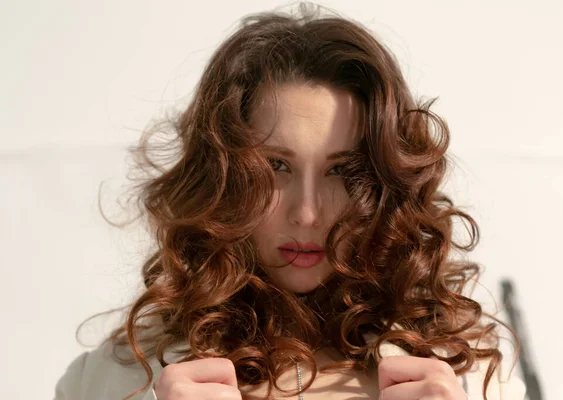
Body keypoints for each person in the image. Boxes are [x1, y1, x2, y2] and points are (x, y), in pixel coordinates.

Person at [54, 3, 527, 400]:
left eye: (341, 170)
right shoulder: (115, 380)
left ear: (384, 183)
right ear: (224, 178)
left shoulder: (470, 373)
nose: (307, 213)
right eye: (276, 167)